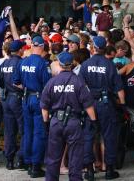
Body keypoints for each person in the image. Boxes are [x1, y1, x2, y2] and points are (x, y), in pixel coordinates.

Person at [41, 51, 98, 181]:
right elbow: (88, 105)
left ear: (59, 64)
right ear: (72, 64)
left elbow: (44, 107)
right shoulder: (78, 82)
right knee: (75, 157)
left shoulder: (52, 82)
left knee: (53, 157)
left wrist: (46, 123)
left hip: (55, 121)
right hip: (74, 122)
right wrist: (93, 121)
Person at [78, 35, 126, 179]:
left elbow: (80, 88)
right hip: (106, 104)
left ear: (93, 48)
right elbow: (119, 89)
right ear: (104, 48)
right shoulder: (109, 64)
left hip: (90, 104)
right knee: (109, 136)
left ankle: (90, 170)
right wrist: (123, 106)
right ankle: (109, 170)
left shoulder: (85, 65)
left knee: (89, 136)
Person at [13, 35, 52, 178]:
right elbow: (47, 86)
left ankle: (28, 162)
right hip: (38, 99)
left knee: (28, 132)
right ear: (41, 47)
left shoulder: (23, 62)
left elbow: (15, 81)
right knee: (39, 133)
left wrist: (27, 87)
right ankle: (36, 166)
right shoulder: (42, 64)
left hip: (26, 98)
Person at [0, 40, 26, 170]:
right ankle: (21, 159)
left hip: (7, 98)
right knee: (23, 130)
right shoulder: (21, 63)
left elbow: (1, 83)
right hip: (18, 99)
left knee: (9, 131)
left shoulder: (4, 63)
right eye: (23, 49)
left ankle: (9, 161)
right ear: (20, 50)